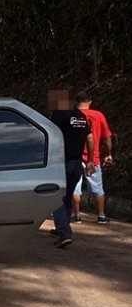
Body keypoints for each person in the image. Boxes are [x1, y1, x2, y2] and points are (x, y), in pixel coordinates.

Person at [48, 89, 95, 248]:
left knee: (57, 197)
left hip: (61, 162)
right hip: (77, 163)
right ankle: (63, 227)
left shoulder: (59, 114)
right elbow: (90, 138)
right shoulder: (81, 117)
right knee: (67, 197)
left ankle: (64, 233)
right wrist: (89, 160)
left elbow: (50, 135)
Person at [71, 91, 113, 224]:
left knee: (74, 187)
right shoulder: (98, 115)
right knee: (97, 188)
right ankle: (101, 215)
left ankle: (76, 215)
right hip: (93, 159)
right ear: (89, 101)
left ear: (75, 102)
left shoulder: (71, 116)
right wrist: (108, 153)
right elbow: (107, 137)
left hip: (74, 158)